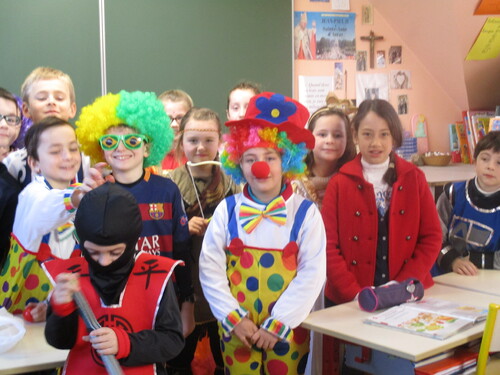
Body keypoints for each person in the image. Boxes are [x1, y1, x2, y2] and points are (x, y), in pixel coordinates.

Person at [200, 92, 326, 374]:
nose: (260, 166)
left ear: (288, 161)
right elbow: (210, 269)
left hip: (288, 334)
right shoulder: (227, 210)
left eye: (271, 157)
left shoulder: (306, 214)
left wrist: (279, 323)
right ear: (238, 164)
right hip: (237, 331)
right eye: (249, 158)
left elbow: (312, 274)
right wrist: (233, 317)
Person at [321, 99, 441, 371]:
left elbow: (432, 237)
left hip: (406, 295)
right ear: (355, 136)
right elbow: (328, 246)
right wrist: (354, 293)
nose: (376, 142)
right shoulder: (340, 182)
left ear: (394, 137)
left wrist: (399, 287)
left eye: (384, 134)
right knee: (356, 367)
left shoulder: (414, 177)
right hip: (350, 300)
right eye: (367, 134)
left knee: (397, 366)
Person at [75, 90, 195, 339]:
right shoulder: (96, 194)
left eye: (132, 141)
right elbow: (84, 255)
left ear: (148, 147)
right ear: (100, 148)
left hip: (163, 296)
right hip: (111, 301)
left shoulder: (167, 190)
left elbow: (182, 251)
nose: (121, 148)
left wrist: (188, 302)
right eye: (110, 142)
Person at [43, 182, 184, 374]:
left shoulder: (156, 275)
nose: (104, 261)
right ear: (81, 241)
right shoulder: (72, 277)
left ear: (132, 241)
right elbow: (60, 341)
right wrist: (61, 309)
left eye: (115, 252)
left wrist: (126, 343)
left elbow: (172, 340)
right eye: (93, 252)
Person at [166, 108, 240, 375]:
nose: (200, 147)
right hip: (185, 287)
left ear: (220, 140)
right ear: (181, 141)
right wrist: (183, 227)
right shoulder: (169, 183)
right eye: (193, 140)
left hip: (227, 284)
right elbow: (161, 235)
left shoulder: (234, 182)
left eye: (209, 140)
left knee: (227, 355)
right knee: (180, 357)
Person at [0, 116, 91, 321]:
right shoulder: (32, 195)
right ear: (35, 163)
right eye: (55, 151)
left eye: (73, 148)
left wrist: (49, 304)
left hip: (57, 311)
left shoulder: (77, 193)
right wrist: (80, 197)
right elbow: (49, 207)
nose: (68, 156)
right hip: (13, 315)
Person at [2, 67, 84, 188]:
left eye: (59, 98)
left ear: (72, 109)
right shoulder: (14, 163)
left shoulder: (88, 159)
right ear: (26, 109)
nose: (51, 102)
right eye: (41, 98)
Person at [437, 131, 500, 275]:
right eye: (485, 159)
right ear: (474, 161)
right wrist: (453, 260)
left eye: (499, 162)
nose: (490, 166)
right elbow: (433, 235)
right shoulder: (452, 194)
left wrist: (471, 261)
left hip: (488, 279)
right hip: (445, 272)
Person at [292, 106, 356, 209]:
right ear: (309, 137)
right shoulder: (294, 182)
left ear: (347, 139)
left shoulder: (354, 181)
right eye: (322, 134)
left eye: (337, 135)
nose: (329, 141)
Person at [158, 89, 193, 171]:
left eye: (180, 118)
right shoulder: (148, 156)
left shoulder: (197, 155)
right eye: (167, 118)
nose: (174, 124)